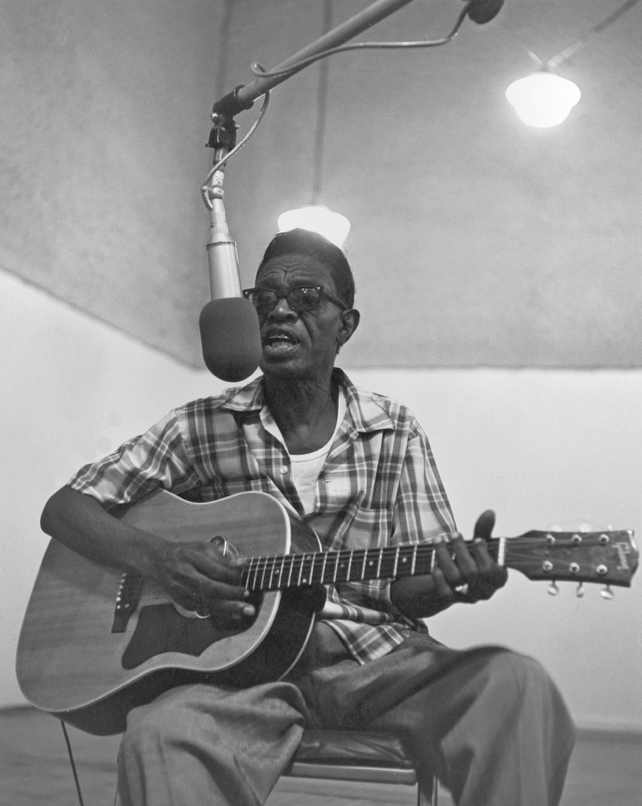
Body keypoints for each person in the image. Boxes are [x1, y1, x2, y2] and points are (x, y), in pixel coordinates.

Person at [40, 228, 575, 806]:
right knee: (159, 734)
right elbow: (66, 508)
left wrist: (458, 579)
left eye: (307, 296)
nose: (281, 310)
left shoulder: (394, 431)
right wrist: (163, 561)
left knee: (517, 687)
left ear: (345, 326)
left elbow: (412, 590)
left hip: (378, 661)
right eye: (264, 297)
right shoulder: (199, 425)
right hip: (243, 675)